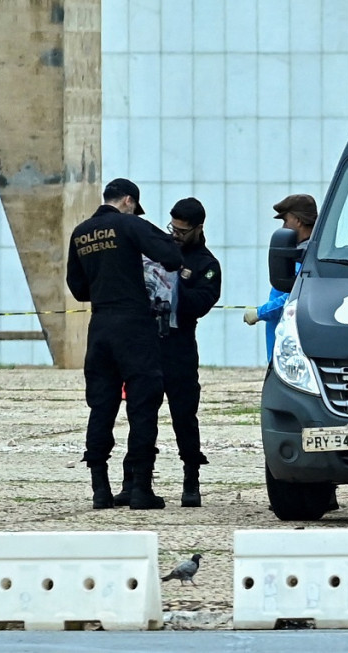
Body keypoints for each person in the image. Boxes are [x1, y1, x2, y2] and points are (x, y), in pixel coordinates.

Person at [66, 178, 182, 510]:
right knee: (143, 406)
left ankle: (100, 489)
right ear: (128, 200)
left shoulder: (81, 232)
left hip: (99, 327)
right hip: (133, 326)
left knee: (101, 406)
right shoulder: (130, 225)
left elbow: (78, 289)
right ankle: (140, 488)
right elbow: (171, 257)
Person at [112, 197, 221, 508]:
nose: (175, 235)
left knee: (184, 417)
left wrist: (173, 282)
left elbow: (200, 304)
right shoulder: (156, 249)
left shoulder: (206, 265)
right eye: (172, 227)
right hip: (147, 348)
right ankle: (132, 480)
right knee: (140, 415)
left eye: (183, 231)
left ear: (198, 229)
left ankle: (191, 479)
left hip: (179, 349)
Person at [244, 194, 316, 362]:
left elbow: (296, 297)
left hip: (289, 345)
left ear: (298, 220)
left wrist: (260, 312)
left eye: (286, 221)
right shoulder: (308, 251)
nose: (284, 227)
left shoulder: (304, 257)